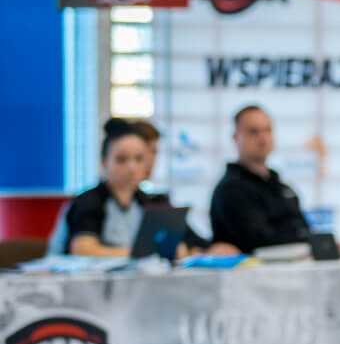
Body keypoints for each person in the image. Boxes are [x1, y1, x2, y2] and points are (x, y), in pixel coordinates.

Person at [59, 119, 220, 258]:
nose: (131, 167)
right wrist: (146, 253)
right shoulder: (89, 202)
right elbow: (83, 249)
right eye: (121, 159)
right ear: (104, 162)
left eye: (139, 159)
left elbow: (187, 242)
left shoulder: (148, 202)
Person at [208, 106, 309, 253]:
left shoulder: (282, 187)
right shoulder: (231, 190)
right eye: (253, 132)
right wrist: (301, 239)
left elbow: (304, 230)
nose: (263, 138)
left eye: (268, 130)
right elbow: (261, 242)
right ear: (236, 138)